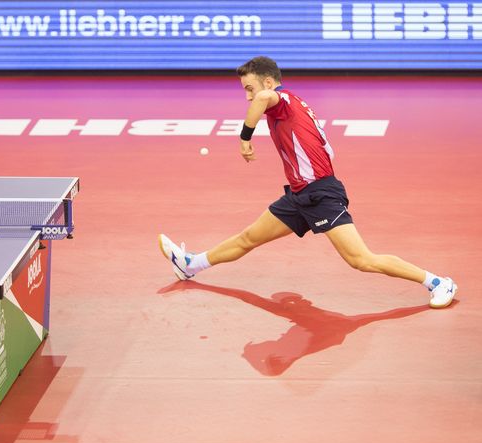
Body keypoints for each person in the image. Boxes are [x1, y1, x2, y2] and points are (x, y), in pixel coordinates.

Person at [159, 56, 457, 309]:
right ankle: (190, 264)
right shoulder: (287, 105)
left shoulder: (282, 99)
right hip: (299, 195)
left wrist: (244, 139)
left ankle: (438, 282)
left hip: (322, 194)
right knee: (248, 238)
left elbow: (263, 99)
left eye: (249, 88)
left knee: (362, 260)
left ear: (267, 82)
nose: (248, 97)